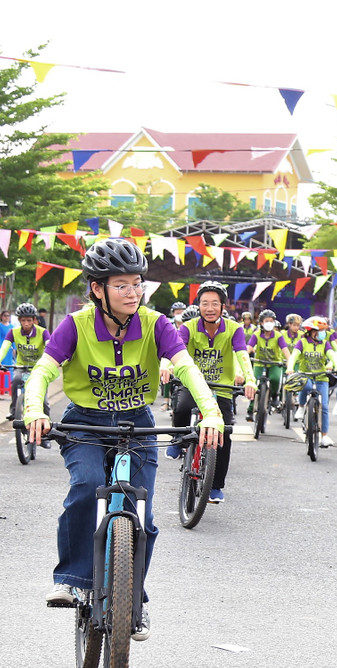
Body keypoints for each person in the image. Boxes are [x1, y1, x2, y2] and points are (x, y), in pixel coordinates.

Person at [22, 237, 223, 640]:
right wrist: (34, 409)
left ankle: (135, 601)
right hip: (87, 422)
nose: (133, 292)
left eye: (138, 283)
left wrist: (211, 412)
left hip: (138, 423)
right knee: (86, 485)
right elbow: (43, 370)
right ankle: (72, 579)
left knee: (143, 520)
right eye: (122, 285)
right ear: (98, 288)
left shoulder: (156, 323)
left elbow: (185, 368)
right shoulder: (76, 324)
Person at [162, 281, 253, 504]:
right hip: (193, 383)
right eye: (204, 303)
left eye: (214, 303)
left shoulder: (235, 329)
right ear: (199, 306)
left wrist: (250, 379)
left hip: (222, 389)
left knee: (224, 434)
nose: (209, 308)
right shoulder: (188, 327)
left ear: (223, 307)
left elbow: (242, 355)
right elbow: (173, 349)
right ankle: (178, 440)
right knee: (181, 407)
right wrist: (166, 365)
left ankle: (215, 486)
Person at [0, 303, 49, 420]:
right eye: (23, 320)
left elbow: (50, 347)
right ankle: (13, 410)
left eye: (29, 320)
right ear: (19, 320)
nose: (26, 324)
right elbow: (4, 347)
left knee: (44, 401)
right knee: (16, 380)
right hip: (21, 366)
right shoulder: (13, 332)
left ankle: (47, 425)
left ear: (34, 319)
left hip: (38, 368)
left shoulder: (43, 332)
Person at [289, 315, 335, 447]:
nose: (323, 334)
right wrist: (290, 368)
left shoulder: (325, 343)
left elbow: (332, 355)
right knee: (306, 385)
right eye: (320, 331)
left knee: (324, 407)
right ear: (312, 332)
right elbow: (294, 355)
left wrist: (335, 364)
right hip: (306, 375)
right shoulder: (302, 342)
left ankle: (324, 435)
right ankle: (302, 406)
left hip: (321, 377)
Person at [246, 308, 288, 416]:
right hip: (259, 363)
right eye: (266, 321)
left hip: (275, 363)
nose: (269, 323)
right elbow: (249, 347)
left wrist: (289, 362)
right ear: (261, 323)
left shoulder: (278, 336)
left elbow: (285, 350)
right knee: (254, 385)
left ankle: (274, 396)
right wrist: (244, 356)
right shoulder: (256, 334)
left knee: (275, 379)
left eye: (271, 321)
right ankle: (251, 409)